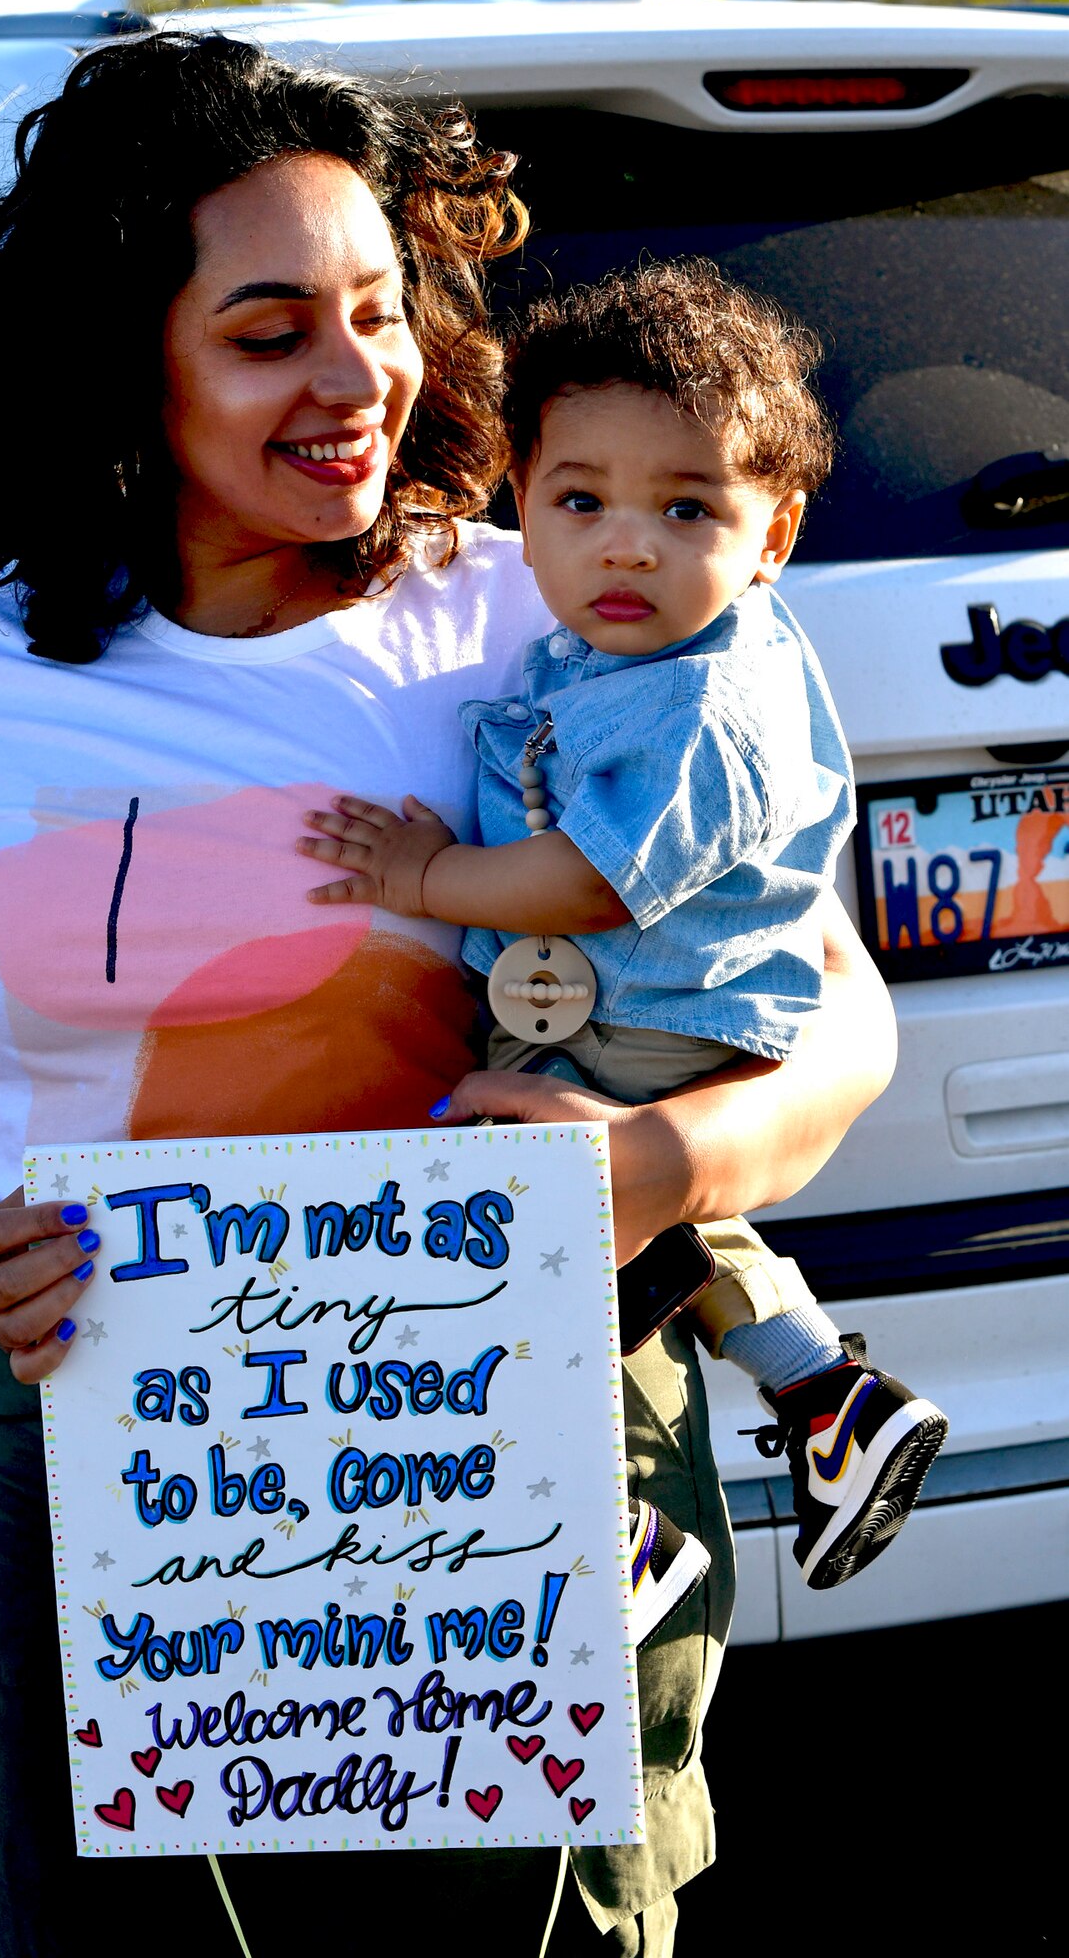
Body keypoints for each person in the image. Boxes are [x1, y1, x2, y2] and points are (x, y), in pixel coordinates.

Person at [0, 33, 897, 1958]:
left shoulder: (556, 605)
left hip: (534, 1456)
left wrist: (662, 1162)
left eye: (377, 310)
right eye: (269, 326)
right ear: (127, 356)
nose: (357, 375)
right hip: (123, 1448)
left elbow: (833, 1012)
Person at [300, 261, 947, 1610]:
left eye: (686, 508)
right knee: (642, 1234)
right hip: (632, 1014)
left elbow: (591, 883)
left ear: (771, 538)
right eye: (578, 501)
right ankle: (828, 1398)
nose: (627, 544)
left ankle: (604, 1531)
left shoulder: (704, 701)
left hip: (639, 1012)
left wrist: (424, 876)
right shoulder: (616, 657)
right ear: (514, 508)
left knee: (505, 1250)